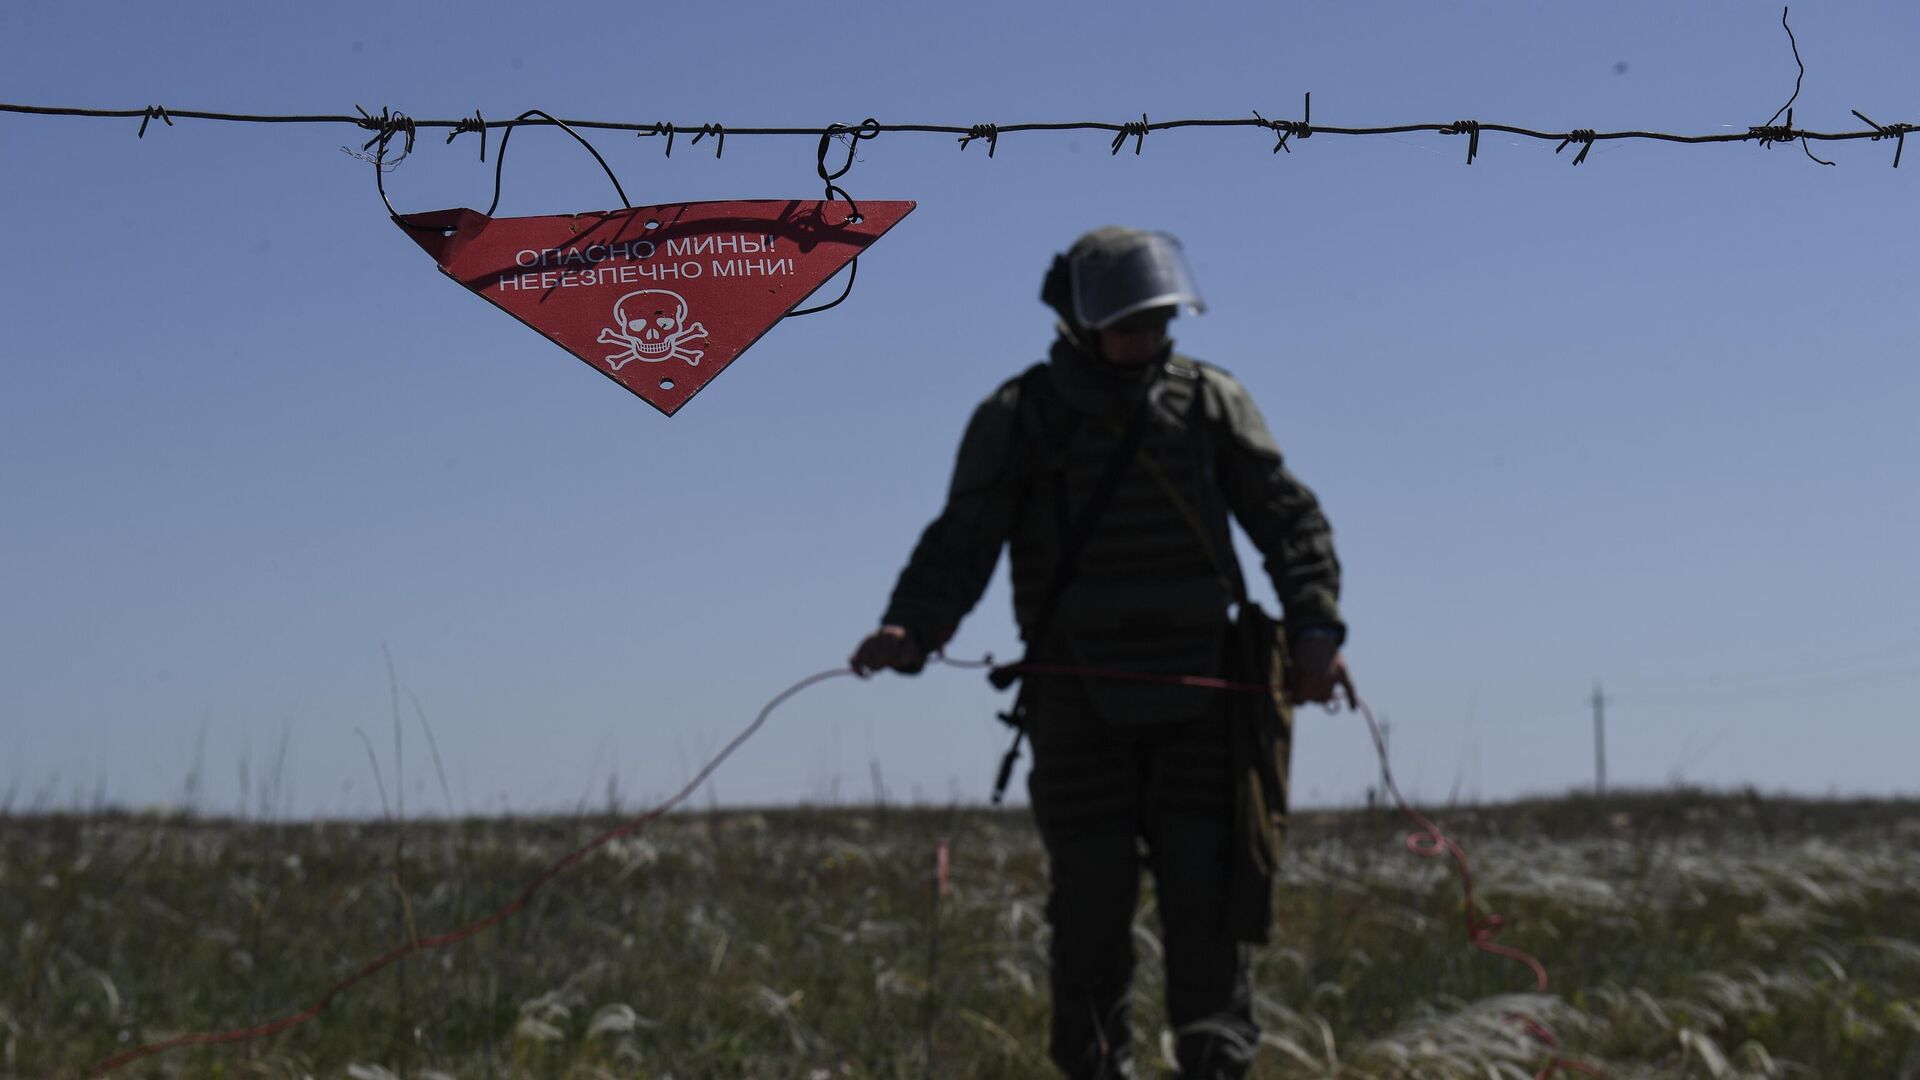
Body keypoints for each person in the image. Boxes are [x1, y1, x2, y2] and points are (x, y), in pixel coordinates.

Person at [850, 226, 1347, 1079]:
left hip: (1206, 703)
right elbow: (961, 541)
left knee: (1210, 914)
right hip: (1077, 708)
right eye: (1128, 325)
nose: (1145, 341)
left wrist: (1315, 629)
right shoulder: (1020, 419)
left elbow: (1288, 520)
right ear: (1078, 323)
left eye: (1156, 323)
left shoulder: (1209, 403)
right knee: (1089, 918)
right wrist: (911, 628)